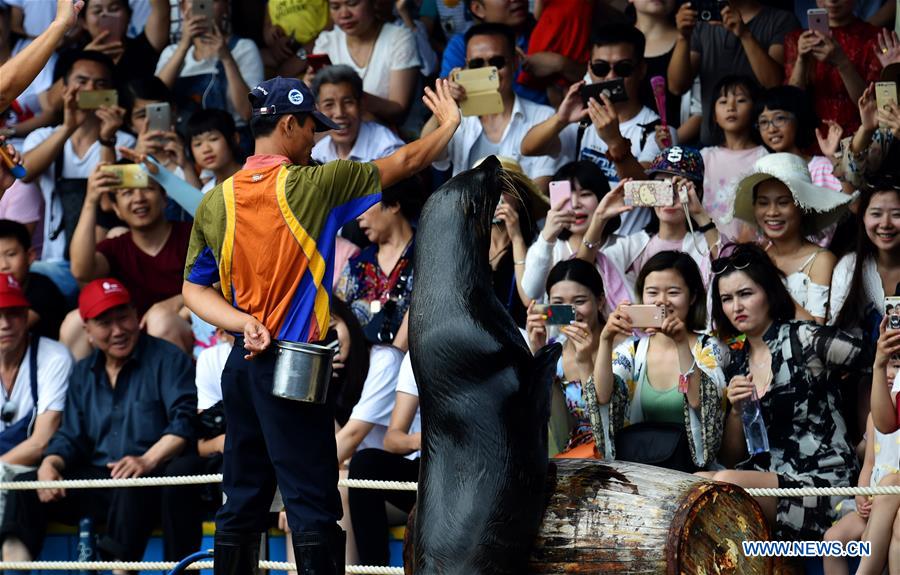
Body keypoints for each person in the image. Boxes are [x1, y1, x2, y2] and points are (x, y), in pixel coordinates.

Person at [181, 75, 460, 574]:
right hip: (293, 370)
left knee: (240, 501)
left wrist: (244, 322)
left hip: (241, 369)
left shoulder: (214, 201)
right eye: (312, 127)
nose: (318, 138)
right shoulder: (316, 184)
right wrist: (449, 124)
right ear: (289, 125)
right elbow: (408, 161)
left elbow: (193, 291)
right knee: (312, 503)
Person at [0, 278, 198, 563]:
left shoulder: (167, 359)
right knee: (26, 487)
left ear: (136, 315)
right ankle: (13, 570)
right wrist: (50, 464)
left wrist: (146, 460)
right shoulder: (83, 372)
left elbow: (184, 422)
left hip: (153, 477)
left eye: (123, 317)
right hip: (100, 479)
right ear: (88, 331)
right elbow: (71, 436)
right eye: (105, 323)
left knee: (132, 484)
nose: (117, 330)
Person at [702, 243, 867, 541]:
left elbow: (876, 360)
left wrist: (871, 440)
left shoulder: (804, 338)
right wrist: (736, 411)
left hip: (825, 485)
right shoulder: (736, 361)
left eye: (745, 294)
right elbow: (731, 457)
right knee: (698, 482)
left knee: (725, 482)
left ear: (769, 292)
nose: (736, 306)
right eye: (727, 299)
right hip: (770, 478)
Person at [521, 24, 677, 219]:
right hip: (581, 234)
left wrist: (615, 143)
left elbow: (649, 196)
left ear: (641, 70)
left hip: (628, 238)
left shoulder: (658, 130)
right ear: (589, 68)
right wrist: (560, 119)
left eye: (623, 68)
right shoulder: (581, 120)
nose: (611, 77)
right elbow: (528, 148)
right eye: (600, 68)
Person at [590, 251, 725, 471]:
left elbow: (700, 402)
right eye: (652, 292)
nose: (661, 301)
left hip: (693, 474)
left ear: (692, 297)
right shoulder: (632, 351)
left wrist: (681, 343)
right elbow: (602, 397)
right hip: (641, 471)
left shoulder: (709, 348)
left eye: (673, 292)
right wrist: (606, 340)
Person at [20, 50, 135, 301]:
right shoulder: (42, 137)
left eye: (100, 84)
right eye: (82, 81)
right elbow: (24, 172)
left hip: (105, 260)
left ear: (111, 92)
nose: (90, 89)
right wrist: (68, 126)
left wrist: (107, 139)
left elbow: (110, 202)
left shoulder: (125, 142)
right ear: (65, 89)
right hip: (56, 262)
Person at [62, 162, 193, 359]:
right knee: (75, 324)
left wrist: (177, 302)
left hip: (182, 329)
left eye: (147, 189)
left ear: (164, 198)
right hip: (128, 334)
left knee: (160, 320)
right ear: (116, 209)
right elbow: (81, 270)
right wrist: (90, 201)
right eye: (127, 193)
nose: (138, 199)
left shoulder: (191, 236)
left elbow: (220, 283)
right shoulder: (116, 247)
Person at [577, 146, 719, 311]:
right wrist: (599, 218)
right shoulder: (633, 245)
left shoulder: (706, 244)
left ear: (697, 193)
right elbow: (580, 273)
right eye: (661, 188)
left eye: (679, 188)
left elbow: (727, 267)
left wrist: (699, 214)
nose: (670, 198)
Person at [424, 23, 561, 188]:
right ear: (466, 67)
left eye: (497, 62)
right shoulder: (458, 118)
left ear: (515, 62)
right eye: (477, 64)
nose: (488, 71)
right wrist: (446, 106)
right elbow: (427, 154)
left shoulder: (544, 118)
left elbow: (540, 189)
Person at [730, 153, 852, 323]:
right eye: (763, 203)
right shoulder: (757, 257)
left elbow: (816, 329)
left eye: (783, 202)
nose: (772, 212)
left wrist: (772, 285)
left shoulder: (820, 260)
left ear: (802, 206)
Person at [823, 323, 900, 575]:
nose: (891, 374)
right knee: (831, 540)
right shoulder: (874, 417)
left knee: (873, 535)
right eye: (887, 365)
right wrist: (861, 495)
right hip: (872, 499)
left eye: (898, 367)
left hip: (891, 499)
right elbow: (869, 464)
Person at [666, 0, 798, 145]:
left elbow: (774, 85)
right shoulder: (702, 22)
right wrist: (683, 37)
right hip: (712, 145)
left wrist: (745, 34)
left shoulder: (781, 20)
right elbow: (676, 87)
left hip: (764, 143)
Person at [0, 273, 73, 520]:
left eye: (13, 313)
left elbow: (41, 442)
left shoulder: (54, 358)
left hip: (35, 468)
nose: (5, 324)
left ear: (25, 317)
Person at [525, 259, 606, 456]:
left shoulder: (626, 350)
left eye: (579, 301)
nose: (571, 312)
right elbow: (555, 430)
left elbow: (609, 423)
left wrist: (585, 361)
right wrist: (540, 354)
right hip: (567, 460)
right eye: (559, 304)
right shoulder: (554, 352)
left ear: (600, 301)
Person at [347, 351, 420, 567]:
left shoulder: (504, 341)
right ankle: (375, 569)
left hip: (481, 473)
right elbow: (392, 440)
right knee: (364, 464)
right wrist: (425, 439)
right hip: (430, 471)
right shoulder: (416, 356)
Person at [335, 178, 423, 350]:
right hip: (360, 363)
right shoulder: (357, 265)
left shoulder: (428, 257)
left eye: (364, 205)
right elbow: (336, 316)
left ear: (394, 204)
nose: (358, 217)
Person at [155, 0, 264, 130]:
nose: (203, 5)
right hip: (183, 136)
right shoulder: (171, 53)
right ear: (183, 8)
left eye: (213, 0)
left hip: (232, 135)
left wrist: (227, 58)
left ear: (226, 7)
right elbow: (154, 100)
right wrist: (183, 46)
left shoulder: (244, 48)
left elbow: (247, 112)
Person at [313, 0, 421, 125]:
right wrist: (311, 88)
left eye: (352, 4)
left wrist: (348, 93)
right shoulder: (326, 42)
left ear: (373, 3)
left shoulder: (399, 39)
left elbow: (399, 110)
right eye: (335, 7)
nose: (344, 14)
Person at [784, 0, 882, 135]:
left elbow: (872, 104)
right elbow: (790, 105)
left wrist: (842, 62)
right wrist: (801, 59)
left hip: (859, 135)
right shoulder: (797, 39)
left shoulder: (874, 38)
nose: (832, 1)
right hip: (810, 135)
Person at [521, 161, 611, 303]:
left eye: (585, 194)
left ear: (602, 197)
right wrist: (547, 238)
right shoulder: (549, 248)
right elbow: (532, 292)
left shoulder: (630, 246)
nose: (575, 204)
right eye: (567, 198)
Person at [699, 75, 768, 241]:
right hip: (705, 245)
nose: (731, 107)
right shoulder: (704, 157)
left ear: (755, 111)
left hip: (749, 246)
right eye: (723, 102)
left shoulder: (764, 157)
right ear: (714, 116)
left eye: (741, 100)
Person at [754, 85, 844, 193]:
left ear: (798, 119)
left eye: (779, 118)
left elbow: (852, 201)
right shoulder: (761, 171)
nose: (772, 129)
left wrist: (832, 157)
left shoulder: (821, 167)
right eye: (763, 122)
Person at [0, 0, 83, 113]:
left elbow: (49, 108)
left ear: (8, 18)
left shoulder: (32, 50)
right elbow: (3, 92)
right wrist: (59, 24)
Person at [311, 66, 405, 164]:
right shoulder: (317, 153)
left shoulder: (388, 149)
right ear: (318, 110)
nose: (339, 113)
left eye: (348, 102)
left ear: (361, 104)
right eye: (329, 105)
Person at [72, 0, 170, 84]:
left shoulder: (144, 48)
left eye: (114, 9)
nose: (105, 14)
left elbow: (162, 12)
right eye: (97, 11)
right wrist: (87, 57)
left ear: (129, 15)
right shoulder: (71, 58)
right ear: (83, 22)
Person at [0, 220, 67, 340]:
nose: (4, 265)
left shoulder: (43, 289)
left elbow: (16, 327)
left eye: (11, 254)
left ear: (30, 255)